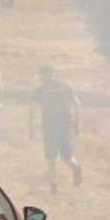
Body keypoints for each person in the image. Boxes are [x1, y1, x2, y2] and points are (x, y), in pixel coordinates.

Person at [28, 64, 81, 194]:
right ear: (54, 74)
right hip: (66, 126)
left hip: (50, 128)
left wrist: (30, 128)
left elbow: (32, 110)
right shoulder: (65, 86)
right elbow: (77, 104)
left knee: (51, 159)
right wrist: (77, 123)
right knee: (67, 157)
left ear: (42, 75)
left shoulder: (39, 90)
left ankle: (53, 187)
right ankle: (75, 167)